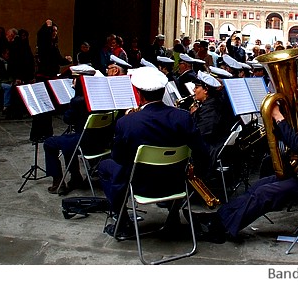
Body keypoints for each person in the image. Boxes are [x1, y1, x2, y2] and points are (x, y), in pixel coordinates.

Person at [189, 62, 298, 243]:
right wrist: (285, 114)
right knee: (259, 186)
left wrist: (278, 116)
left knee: (265, 193)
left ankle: (222, 230)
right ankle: (219, 218)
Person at [97, 66, 210, 239]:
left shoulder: (126, 122)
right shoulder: (183, 117)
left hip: (140, 184)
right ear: (164, 91)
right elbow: (202, 151)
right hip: (175, 183)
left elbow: (118, 157)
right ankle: (173, 218)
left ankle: (123, 221)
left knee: (105, 166)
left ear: (139, 94)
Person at [43, 67, 98, 195]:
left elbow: (67, 120)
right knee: (67, 141)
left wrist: (75, 96)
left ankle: (58, 181)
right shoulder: (99, 97)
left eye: (74, 79)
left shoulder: (78, 101)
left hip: (84, 142)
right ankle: (75, 177)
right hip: (101, 142)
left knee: (49, 142)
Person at [190, 71, 237, 174]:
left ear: (206, 90)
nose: (194, 90)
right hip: (213, 143)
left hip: (210, 148)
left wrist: (192, 116)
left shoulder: (211, 108)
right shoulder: (213, 102)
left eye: (197, 87)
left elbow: (202, 133)